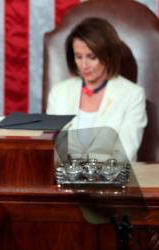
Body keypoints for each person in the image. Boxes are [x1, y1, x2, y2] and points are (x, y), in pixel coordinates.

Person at [46, 17, 147, 162]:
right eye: (78, 57)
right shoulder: (59, 92)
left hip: (110, 179)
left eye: (92, 57)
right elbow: (52, 147)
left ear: (108, 55)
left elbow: (125, 153)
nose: (84, 65)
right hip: (65, 179)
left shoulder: (133, 95)